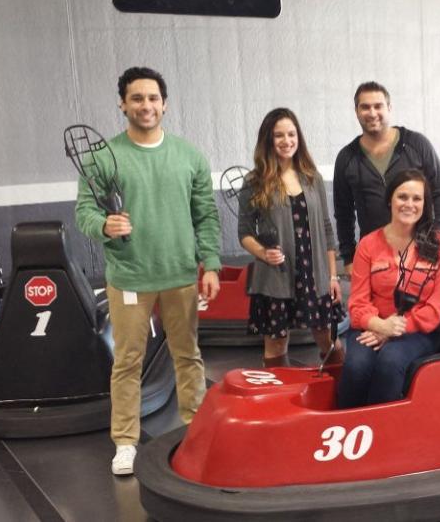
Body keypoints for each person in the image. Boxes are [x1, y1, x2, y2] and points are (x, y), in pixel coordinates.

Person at [75, 66, 222, 476]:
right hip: (129, 277)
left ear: (165, 104)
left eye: (153, 98)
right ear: (122, 103)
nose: (146, 105)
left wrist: (210, 262)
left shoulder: (189, 156)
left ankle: (195, 426)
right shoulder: (103, 157)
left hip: (179, 275)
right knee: (127, 361)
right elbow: (84, 211)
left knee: (188, 356)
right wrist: (103, 225)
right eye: (137, 98)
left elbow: (205, 216)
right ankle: (125, 440)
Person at [337, 169, 440, 408]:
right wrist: (380, 325)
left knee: (390, 362)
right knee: (356, 367)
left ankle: (381, 432)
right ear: (390, 199)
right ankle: (346, 426)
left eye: (417, 198)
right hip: (372, 325)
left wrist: (395, 329)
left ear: (425, 203)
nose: (409, 204)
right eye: (402, 197)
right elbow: (358, 302)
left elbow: (437, 307)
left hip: (419, 331)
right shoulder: (368, 245)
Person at [237, 108, 342, 367]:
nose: (287, 141)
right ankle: (280, 401)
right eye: (279, 135)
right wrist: (263, 253)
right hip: (276, 277)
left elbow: (327, 228)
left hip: (314, 274)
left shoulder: (312, 177)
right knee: (275, 343)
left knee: (326, 337)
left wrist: (332, 276)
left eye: (291, 134)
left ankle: (339, 390)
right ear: (268, 140)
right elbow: (245, 232)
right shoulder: (255, 181)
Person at [333, 81, 440, 276]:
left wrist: (438, 239)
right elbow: (343, 213)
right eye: (365, 107)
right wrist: (348, 258)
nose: (372, 113)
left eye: (378, 106)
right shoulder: (347, 158)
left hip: (422, 253)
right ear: (356, 111)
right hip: (376, 259)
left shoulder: (417, 145)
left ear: (389, 108)